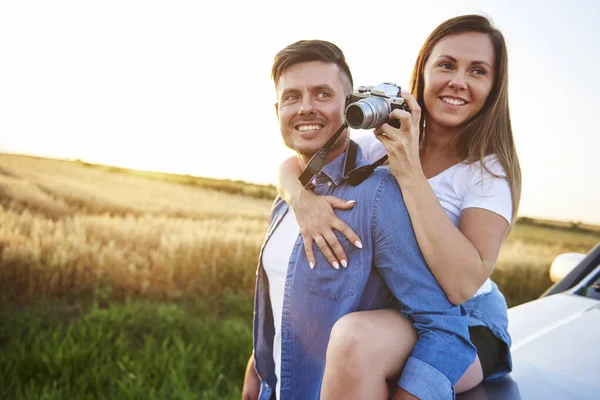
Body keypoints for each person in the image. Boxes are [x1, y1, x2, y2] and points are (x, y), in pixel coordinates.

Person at [275, 15, 521, 399]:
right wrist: (301, 200)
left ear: (492, 87)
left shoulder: (487, 175)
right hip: (394, 309)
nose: (458, 81)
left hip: (466, 321)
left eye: (477, 71)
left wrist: (409, 172)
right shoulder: (379, 146)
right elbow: (298, 163)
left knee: (356, 341)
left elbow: (461, 285)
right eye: (446, 65)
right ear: (422, 72)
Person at [242, 39, 477, 400]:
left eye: (322, 94)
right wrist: (259, 369)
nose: (305, 108)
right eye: (292, 97)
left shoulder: (377, 195)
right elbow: (284, 307)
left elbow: (445, 329)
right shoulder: (288, 198)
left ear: (350, 106)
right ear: (277, 110)